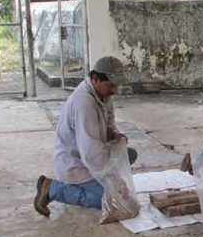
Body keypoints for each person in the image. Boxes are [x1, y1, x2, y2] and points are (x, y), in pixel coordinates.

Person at [34, 56, 137, 217]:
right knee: (109, 200)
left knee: (128, 154)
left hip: (90, 154)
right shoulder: (84, 104)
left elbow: (109, 120)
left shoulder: (103, 94)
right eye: (111, 85)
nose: (115, 90)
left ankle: (101, 183)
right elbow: (91, 155)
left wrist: (114, 134)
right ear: (95, 79)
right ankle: (52, 188)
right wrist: (116, 184)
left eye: (116, 85)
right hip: (76, 162)